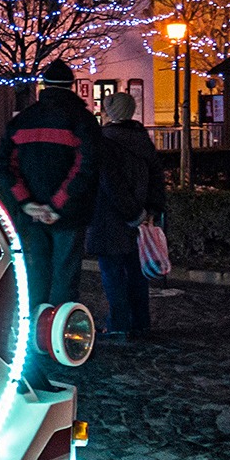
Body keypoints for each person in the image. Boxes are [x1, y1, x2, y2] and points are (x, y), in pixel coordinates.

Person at [0, 60, 102, 310]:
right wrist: (57, 205)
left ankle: (34, 329)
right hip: (69, 214)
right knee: (65, 276)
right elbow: (85, 167)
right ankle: (59, 336)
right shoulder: (83, 120)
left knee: (36, 274)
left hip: (31, 215)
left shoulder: (23, 120)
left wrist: (27, 203)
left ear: (44, 85)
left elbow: (4, 166)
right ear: (71, 85)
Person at [84, 92, 166, 341]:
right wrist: (149, 212)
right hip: (140, 221)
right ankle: (141, 322)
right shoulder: (143, 140)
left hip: (109, 218)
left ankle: (119, 323)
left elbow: (111, 184)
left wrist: (133, 213)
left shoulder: (103, 141)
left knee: (112, 275)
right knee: (136, 272)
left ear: (110, 112)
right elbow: (157, 180)